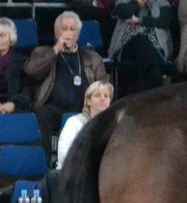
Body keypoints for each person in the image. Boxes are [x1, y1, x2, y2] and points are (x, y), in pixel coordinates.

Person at [24, 11, 110, 156]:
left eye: (72, 29)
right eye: (64, 29)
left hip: (84, 109)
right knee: (42, 112)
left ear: (78, 33)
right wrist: (56, 49)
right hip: (54, 109)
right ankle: (48, 160)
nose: (68, 33)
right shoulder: (43, 52)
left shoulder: (92, 57)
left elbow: (103, 86)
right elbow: (32, 71)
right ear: (56, 32)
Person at [109, 0, 174, 96]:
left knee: (144, 52)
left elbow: (164, 21)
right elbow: (124, 12)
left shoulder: (161, 2)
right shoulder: (124, 0)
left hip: (156, 49)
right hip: (127, 47)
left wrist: (140, 21)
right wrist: (137, 0)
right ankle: (158, 86)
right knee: (140, 40)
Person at [55, 80, 114, 168]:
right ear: (88, 101)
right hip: (74, 173)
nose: (103, 98)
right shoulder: (74, 123)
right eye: (98, 95)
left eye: (106, 96)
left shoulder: (114, 125)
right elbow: (65, 154)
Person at [0, 18, 29, 114]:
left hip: (14, 107)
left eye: (2, 36)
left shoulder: (22, 61)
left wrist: (13, 104)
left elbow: (27, 89)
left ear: (10, 38)